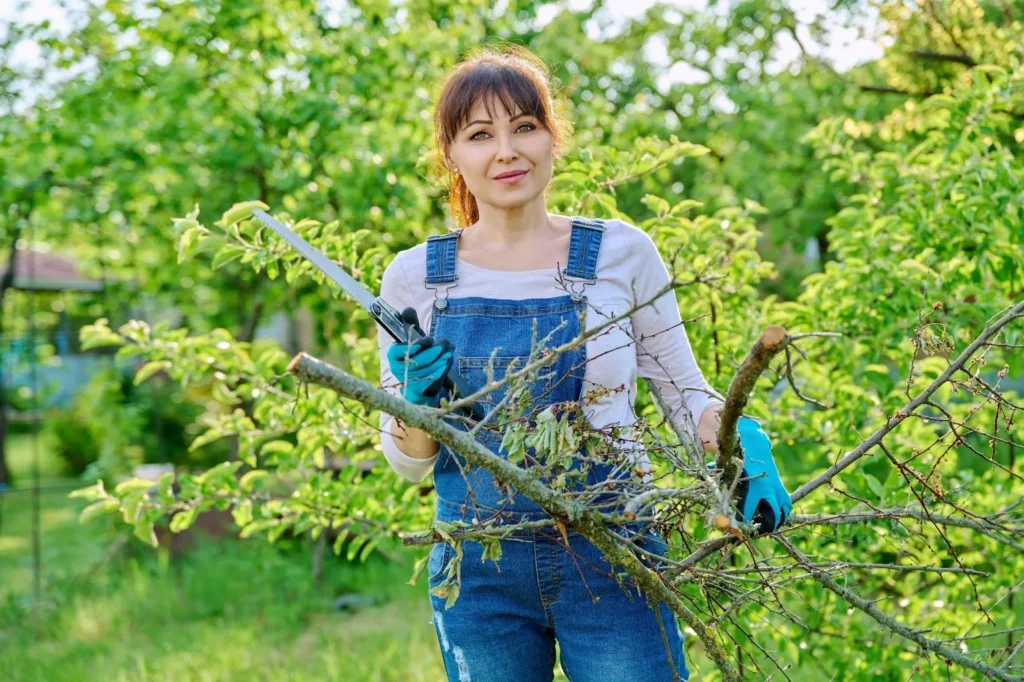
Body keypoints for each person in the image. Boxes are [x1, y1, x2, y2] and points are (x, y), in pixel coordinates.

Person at [376, 43, 792, 682]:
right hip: (479, 569)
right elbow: (409, 465)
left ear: (552, 138)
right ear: (451, 155)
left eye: (525, 127)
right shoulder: (416, 279)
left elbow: (683, 396)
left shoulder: (621, 254)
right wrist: (416, 405)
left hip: (614, 551)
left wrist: (739, 444)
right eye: (480, 135)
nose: (507, 151)